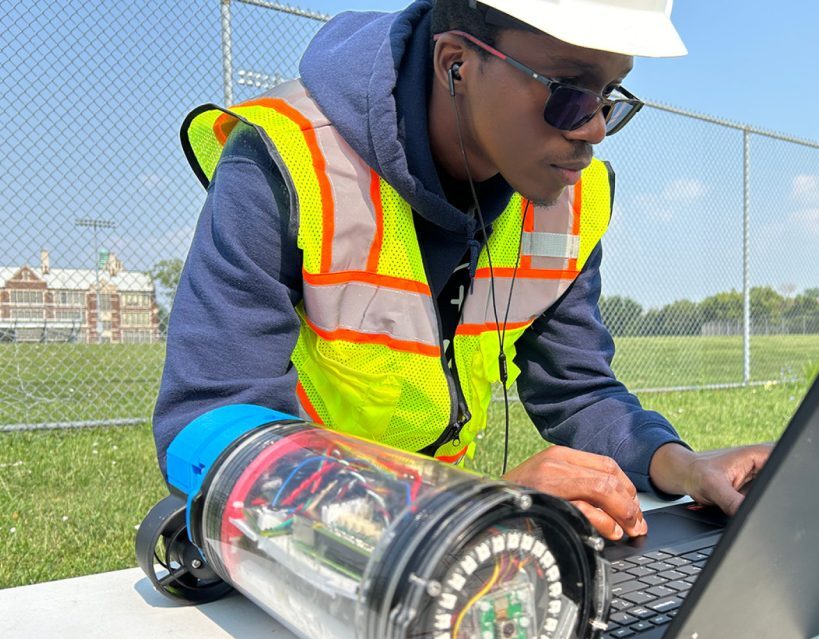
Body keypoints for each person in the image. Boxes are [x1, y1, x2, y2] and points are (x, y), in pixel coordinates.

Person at [154, 0, 771, 542]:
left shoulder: (566, 203)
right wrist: (468, 506)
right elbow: (209, 424)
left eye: (610, 96)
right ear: (456, 63)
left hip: (449, 553)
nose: (595, 130)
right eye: (571, 93)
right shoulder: (287, 162)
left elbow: (577, 389)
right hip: (301, 548)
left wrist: (681, 464)